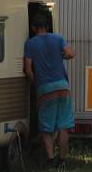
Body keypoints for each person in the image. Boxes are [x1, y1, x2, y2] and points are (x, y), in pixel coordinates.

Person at [23, 12, 75, 169]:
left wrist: (36, 83)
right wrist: (61, 56)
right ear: (47, 26)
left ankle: (51, 160)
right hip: (62, 86)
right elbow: (71, 54)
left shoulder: (30, 44)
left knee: (46, 129)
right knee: (63, 126)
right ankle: (63, 160)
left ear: (33, 28)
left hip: (45, 88)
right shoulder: (58, 38)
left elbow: (28, 69)